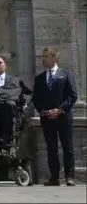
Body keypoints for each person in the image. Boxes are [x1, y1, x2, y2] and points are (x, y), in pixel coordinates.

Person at [33, 47, 77, 186]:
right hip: (47, 118)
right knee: (51, 148)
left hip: (63, 117)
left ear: (54, 58)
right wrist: (43, 111)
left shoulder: (66, 74)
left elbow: (72, 95)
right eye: (42, 56)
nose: (43, 59)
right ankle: (54, 177)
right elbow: (36, 98)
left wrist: (60, 110)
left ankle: (69, 176)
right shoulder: (39, 78)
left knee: (67, 146)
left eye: (45, 56)